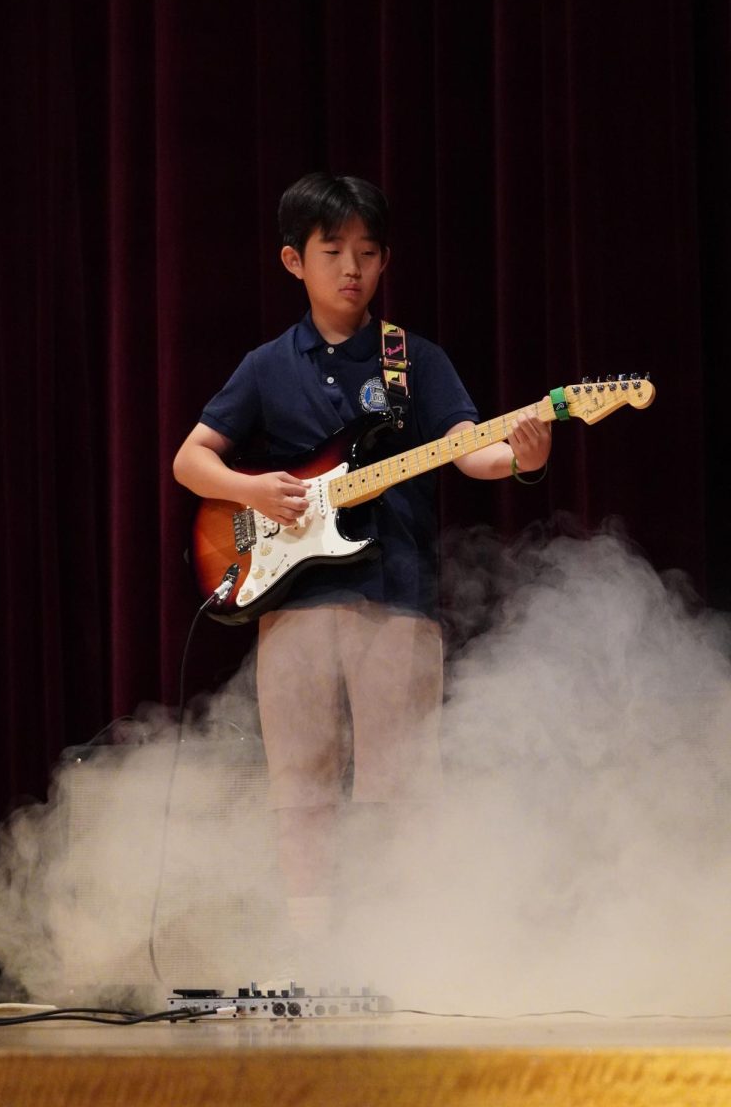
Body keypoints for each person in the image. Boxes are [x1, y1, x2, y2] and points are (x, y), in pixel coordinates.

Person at [173, 172, 551, 955]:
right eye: (333, 250)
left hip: (396, 598)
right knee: (299, 790)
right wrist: (250, 488)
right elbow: (190, 462)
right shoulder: (267, 365)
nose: (352, 267)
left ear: (384, 264)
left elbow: (468, 448)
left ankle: (402, 947)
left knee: (401, 785)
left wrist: (520, 456)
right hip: (294, 604)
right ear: (294, 261)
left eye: (368, 253)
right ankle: (313, 952)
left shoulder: (412, 359)